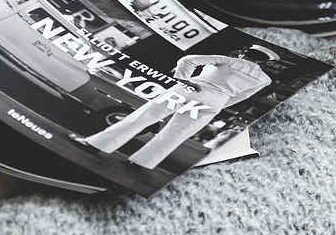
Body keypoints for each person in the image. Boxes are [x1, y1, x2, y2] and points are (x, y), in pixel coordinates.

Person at [81, 45, 277, 169]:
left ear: (244, 52)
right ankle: (142, 162)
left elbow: (187, 60)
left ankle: (97, 145)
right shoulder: (264, 79)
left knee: (144, 117)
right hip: (215, 102)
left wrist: (183, 79)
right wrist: (218, 104)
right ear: (263, 62)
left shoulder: (227, 60)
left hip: (188, 90)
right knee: (177, 133)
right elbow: (242, 97)